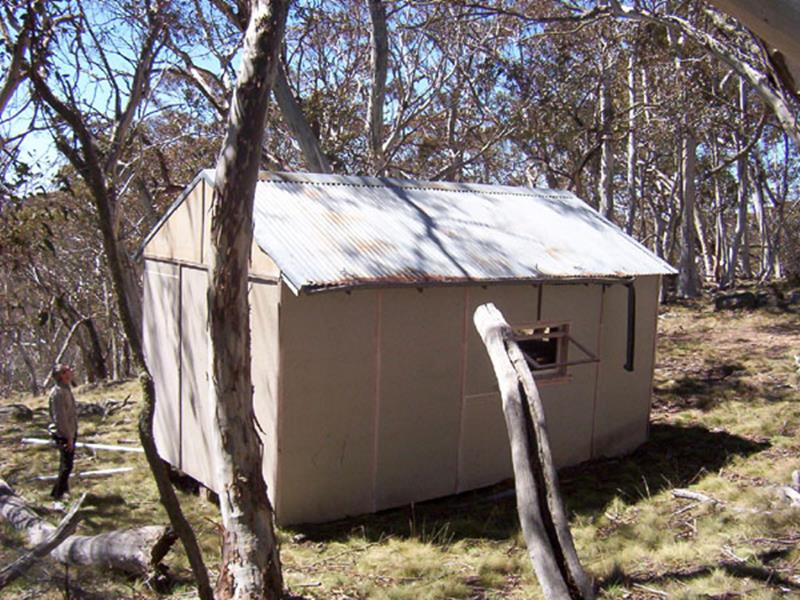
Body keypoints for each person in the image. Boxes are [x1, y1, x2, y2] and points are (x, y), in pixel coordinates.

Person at [48, 363, 78, 499]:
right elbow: (60, 418)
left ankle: (61, 493)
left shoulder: (66, 389)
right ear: (61, 375)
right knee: (67, 466)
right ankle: (57, 495)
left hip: (70, 432)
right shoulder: (57, 393)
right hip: (63, 434)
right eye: (67, 370)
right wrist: (69, 437)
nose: (70, 371)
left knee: (66, 465)